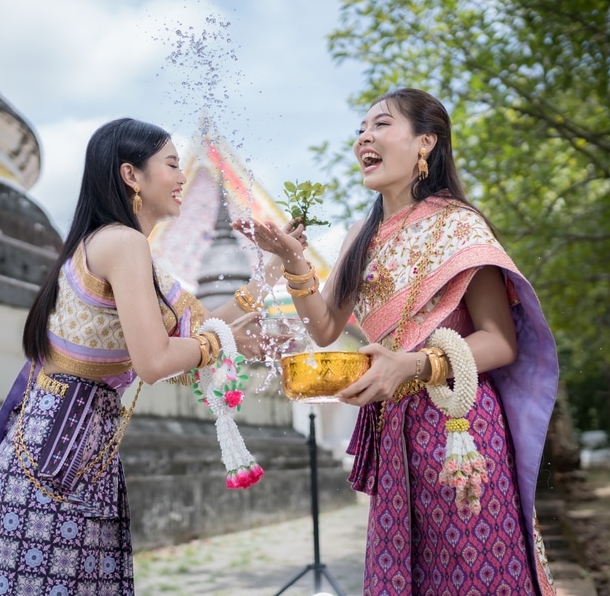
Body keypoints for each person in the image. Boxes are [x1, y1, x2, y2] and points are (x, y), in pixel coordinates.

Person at [0, 117, 302, 596]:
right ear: (131, 175)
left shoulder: (121, 247)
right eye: (170, 164)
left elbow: (200, 327)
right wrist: (221, 343)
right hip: (59, 456)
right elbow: (157, 360)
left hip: (69, 447)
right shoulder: (123, 243)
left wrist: (270, 275)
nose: (182, 177)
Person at [238, 88, 559, 595]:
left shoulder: (460, 226)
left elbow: (500, 342)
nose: (364, 136)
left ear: (425, 142)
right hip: (395, 429)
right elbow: (324, 328)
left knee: (476, 573)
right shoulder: (359, 237)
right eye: (360, 129)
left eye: (381, 125)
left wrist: (412, 367)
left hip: (459, 424)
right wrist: (294, 262)